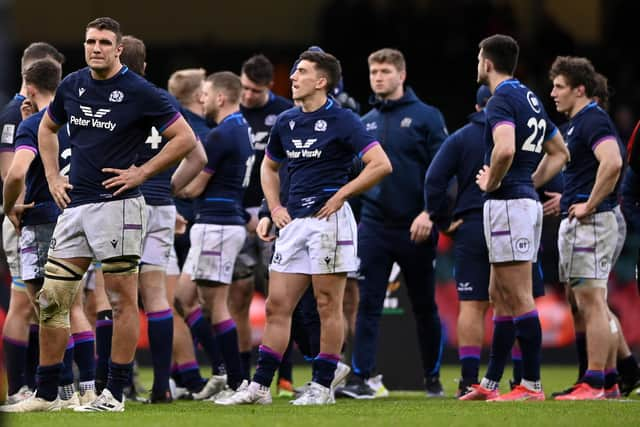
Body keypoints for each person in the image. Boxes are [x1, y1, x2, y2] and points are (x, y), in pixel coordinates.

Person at [2, 17, 196, 413]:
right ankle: (47, 394)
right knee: (53, 298)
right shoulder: (73, 84)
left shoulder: (140, 91)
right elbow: (46, 128)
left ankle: (114, 394)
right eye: (90, 41)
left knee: (122, 301)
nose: (96, 48)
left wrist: (142, 172)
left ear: (118, 49)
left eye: (105, 42)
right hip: (75, 208)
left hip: (119, 207)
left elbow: (186, 139)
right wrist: (54, 177)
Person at [216, 50, 391, 406]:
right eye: (295, 72)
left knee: (328, 304)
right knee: (278, 306)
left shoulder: (344, 120)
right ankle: (260, 387)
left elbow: (380, 164)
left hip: (329, 221)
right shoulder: (286, 121)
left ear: (321, 81)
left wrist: (343, 193)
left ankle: (322, 386)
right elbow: (269, 168)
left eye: (302, 72)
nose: (293, 77)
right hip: (294, 222)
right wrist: (275, 207)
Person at [461, 34, 568, 401]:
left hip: (508, 203)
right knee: (499, 293)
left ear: (487, 63)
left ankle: (532, 385)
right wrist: (531, 183)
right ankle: (491, 384)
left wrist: (493, 179)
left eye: (478, 58)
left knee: (519, 295)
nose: (477, 65)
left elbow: (504, 148)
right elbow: (560, 152)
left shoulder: (500, 99)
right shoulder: (529, 96)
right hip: (520, 201)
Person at [337, 48, 448, 399]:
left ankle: (432, 378)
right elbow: (353, 176)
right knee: (366, 304)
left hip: (416, 226)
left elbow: (445, 174)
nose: (378, 77)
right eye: (373, 71)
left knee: (424, 306)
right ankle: (362, 378)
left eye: (385, 71)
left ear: (402, 74)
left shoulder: (427, 117)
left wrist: (431, 213)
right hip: (373, 225)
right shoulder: (364, 121)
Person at [120, 35, 207, 404]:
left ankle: (118, 383)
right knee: (157, 298)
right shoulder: (164, 100)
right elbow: (198, 156)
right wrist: (169, 188)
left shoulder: (119, 97)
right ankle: (161, 388)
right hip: (160, 207)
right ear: (147, 63)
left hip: (124, 205)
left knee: (117, 298)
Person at [548, 56, 624, 400]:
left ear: (580, 90)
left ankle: (594, 383)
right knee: (583, 302)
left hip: (592, 221)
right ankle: (606, 379)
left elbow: (613, 162)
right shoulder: (577, 124)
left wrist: (589, 204)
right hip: (581, 219)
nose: (553, 93)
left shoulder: (593, 119)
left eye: (559, 86)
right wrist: (567, 201)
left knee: (591, 301)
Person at [173, 71, 252, 397]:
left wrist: (165, 190)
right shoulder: (241, 129)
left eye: (206, 94)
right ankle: (224, 371)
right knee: (182, 298)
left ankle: (236, 380)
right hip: (217, 222)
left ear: (220, 97)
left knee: (215, 305)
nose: (201, 99)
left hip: (217, 224)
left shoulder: (220, 135)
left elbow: (195, 186)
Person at [0, 42, 65, 404]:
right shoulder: (14, 114)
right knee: (26, 305)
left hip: (40, 215)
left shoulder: (43, 116)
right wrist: (13, 208)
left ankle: (47, 386)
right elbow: (9, 169)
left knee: (47, 304)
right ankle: (21, 387)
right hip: (22, 215)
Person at [424, 86, 490, 396]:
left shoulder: (462, 137)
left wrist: (441, 221)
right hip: (514, 219)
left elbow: (434, 180)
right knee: (516, 302)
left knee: (472, 304)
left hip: (473, 223)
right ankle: (522, 379)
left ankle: (469, 380)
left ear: (477, 107)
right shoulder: (519, 131)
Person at [233, 54, 293, 391]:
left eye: (254, 90)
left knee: (277, 299)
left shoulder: (284, 113)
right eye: (243, 87)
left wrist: (273, 208)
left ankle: (281, 374)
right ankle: (241, 374)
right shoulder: (232, 113)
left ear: (270, 86)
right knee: (239, 297)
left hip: (274, 214)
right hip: (238, 218)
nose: (247, 95)